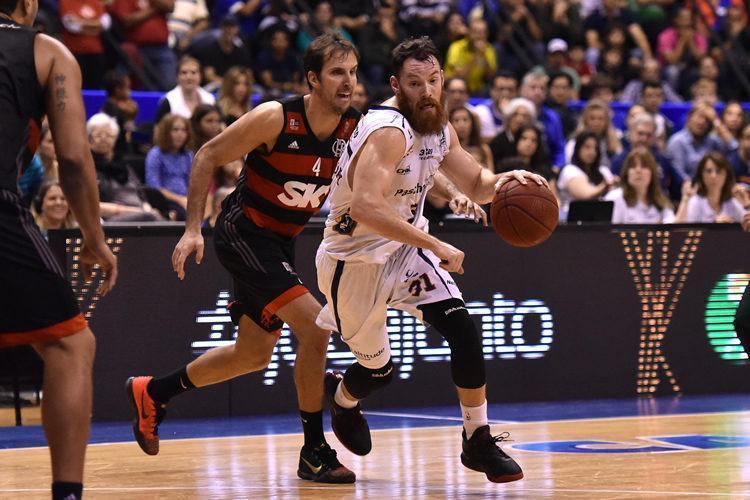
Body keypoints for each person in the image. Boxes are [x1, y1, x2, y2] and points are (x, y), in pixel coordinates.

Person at [125, 32, 363, 484]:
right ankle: (314, 450)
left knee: (253, 355)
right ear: (312, 79)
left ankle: (153, 392)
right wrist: (192, 228)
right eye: (336, 72)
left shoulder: (357, 128)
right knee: (315, 327)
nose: (347, 81)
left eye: (352, 72)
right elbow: (208, 154)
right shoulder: (276, 118)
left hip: (280, 243)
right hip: (243, 233)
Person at [315, 36, 545, 484]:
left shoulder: (439, 128)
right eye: (416, 83)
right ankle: (341, 397)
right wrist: (436, 244)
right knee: (378, 369)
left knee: (464, 327)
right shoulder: (386, 130)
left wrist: (507, 182)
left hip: (403, 251)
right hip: (353, 260)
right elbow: (365, 206)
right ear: (396, 85)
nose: (427, 91)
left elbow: (477, 181)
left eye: (434, 80)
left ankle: (477, 440)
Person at [0, 2, 118, 499]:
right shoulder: (45, 51)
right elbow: (72, 156)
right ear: (28, 5)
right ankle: (67, 493)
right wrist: (94, 239)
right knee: (71, 344)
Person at [675, 151, 750, 223]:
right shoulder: (695, 203)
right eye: (708, 171)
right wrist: (715, 227)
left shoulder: (732, 203)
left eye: (718, 171)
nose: (713, 176)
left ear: (726, 175)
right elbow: (684, 232)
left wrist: (747, 205)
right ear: (701, 175)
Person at [605, 148, 674, 223]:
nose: (638, 170)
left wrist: (684, 201)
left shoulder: (660, 201)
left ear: (652, 173)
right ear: (627, 172)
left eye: (644, 166)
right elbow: (607, 232)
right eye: (633, 166)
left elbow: (673, 227)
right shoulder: (615, 199)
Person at [557, 131, 615, 220]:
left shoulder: (604, 171)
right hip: (571, 221)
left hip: (600, 220)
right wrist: (605, 186)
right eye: (587, 147)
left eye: (595, 148)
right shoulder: (569, 170)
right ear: (578, 148)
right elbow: (586, 195)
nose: (592, 152)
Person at [145, 113, 193, 219]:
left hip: (185, 200)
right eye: (175, 130)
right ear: (166, 132)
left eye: (183, 130)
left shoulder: (188, 155)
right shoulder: (156, 154)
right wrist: (179, 199)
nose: (180, 134)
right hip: (165, 202)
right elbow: (154, 187)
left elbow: (191, 182)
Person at [155, 55, 215, 122]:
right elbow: (159, 129)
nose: (189, 77)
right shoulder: (168, 100)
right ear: (177, 76)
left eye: (193, 72)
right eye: (184, 73)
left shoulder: (210, 99)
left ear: (201, 76)